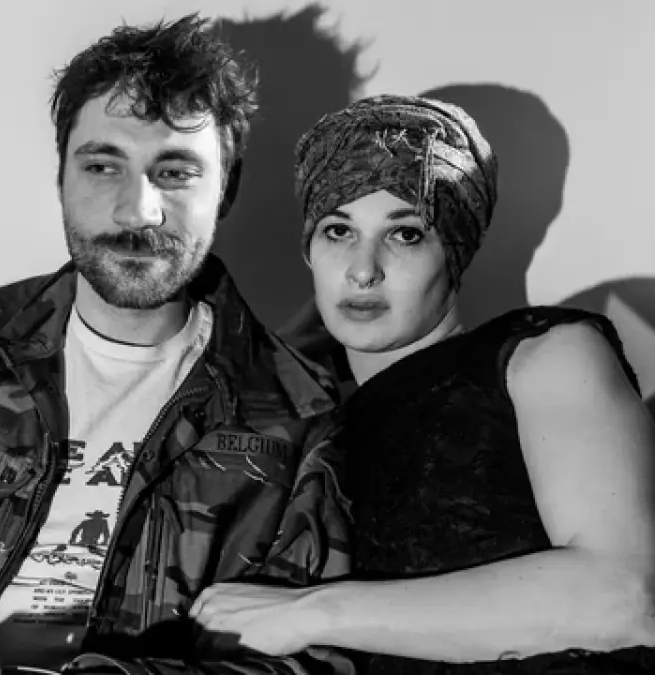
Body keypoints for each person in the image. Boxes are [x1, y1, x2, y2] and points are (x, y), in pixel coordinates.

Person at [0, 14, 356, 675]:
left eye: (175, 172)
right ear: (61, 175)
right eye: (103, 166)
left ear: (225, 188)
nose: (137, 211)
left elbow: (306, 662)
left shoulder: (299, 415)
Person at [190, 94, 655, 673]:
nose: (363, 270)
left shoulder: (541, 356)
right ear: (308, 250)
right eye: (338, 230)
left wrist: (310, 613)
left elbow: (624, 599)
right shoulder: (299, 420)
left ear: (453, 252)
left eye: (406, 234)